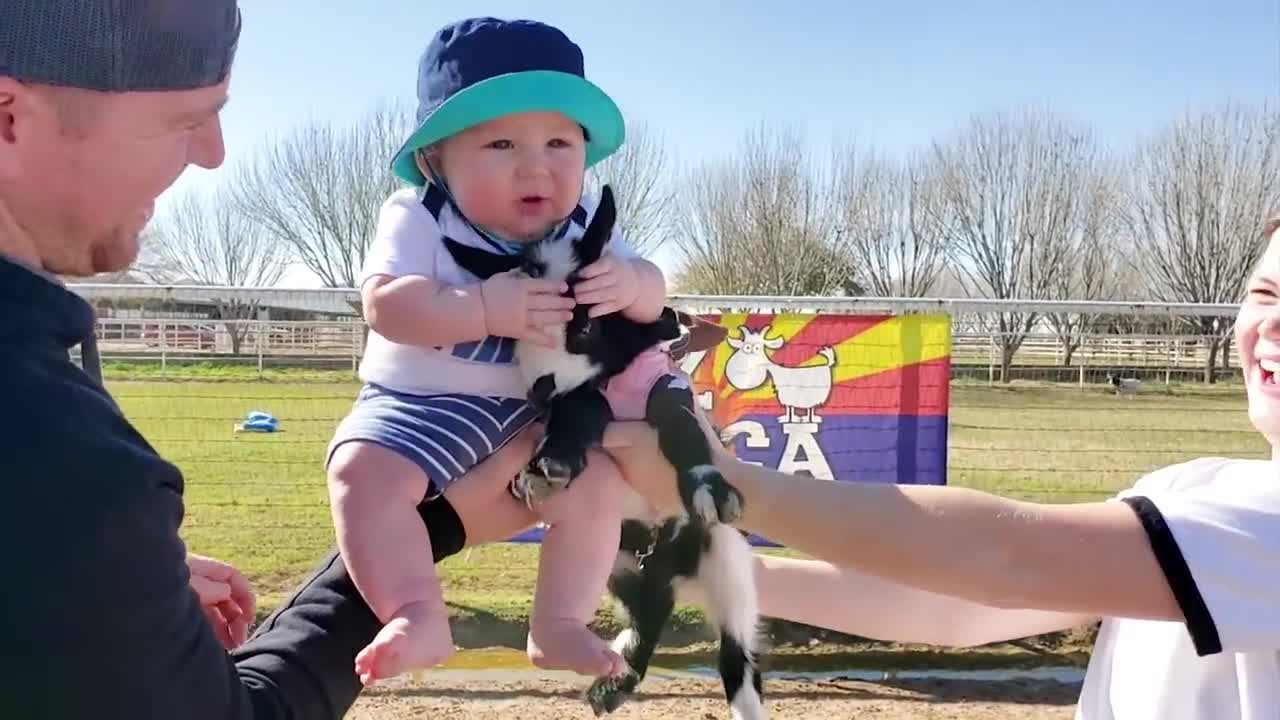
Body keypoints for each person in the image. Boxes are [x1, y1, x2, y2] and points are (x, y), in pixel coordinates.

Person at [0, 4, 544, 718]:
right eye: (181, 120)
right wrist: (440, 523)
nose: (214, 152)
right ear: (9, 115)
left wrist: (101, 589)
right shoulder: (51, 453)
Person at [600, 215, 1280, 720]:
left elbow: (1009, 556)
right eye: (1266, 292)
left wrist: (726, 484)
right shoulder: (1192, 488)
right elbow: (962, 606)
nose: (1272, 324)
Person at [324, 16, 668, 685]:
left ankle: (559, 623)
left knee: (595, 487)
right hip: (418, 402)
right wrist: (480, 308)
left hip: (534, 414)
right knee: (360, 475)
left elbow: (655, 296)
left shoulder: (586, 225)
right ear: (436, 160)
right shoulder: (420, 215)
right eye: (502, 142)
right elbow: (386, 305)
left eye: (560, 142)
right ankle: (416, 611)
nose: (535, 164)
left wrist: (632, 283)